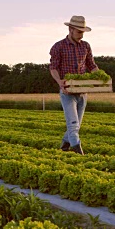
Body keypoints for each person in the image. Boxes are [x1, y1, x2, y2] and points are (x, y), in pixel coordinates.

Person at [49, 15, 99, 155]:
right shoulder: (58, 46)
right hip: (67, 92)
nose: (81, 35)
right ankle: (78, 152)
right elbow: (53, 67)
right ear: (70, 30)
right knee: (73, 125)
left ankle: (64, 147)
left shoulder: (85, 46)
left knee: (76, 125)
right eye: (79, 32)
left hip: (82, 92)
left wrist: (100, 76)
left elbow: (91, 65)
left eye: (83, 32)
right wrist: (60, 82)